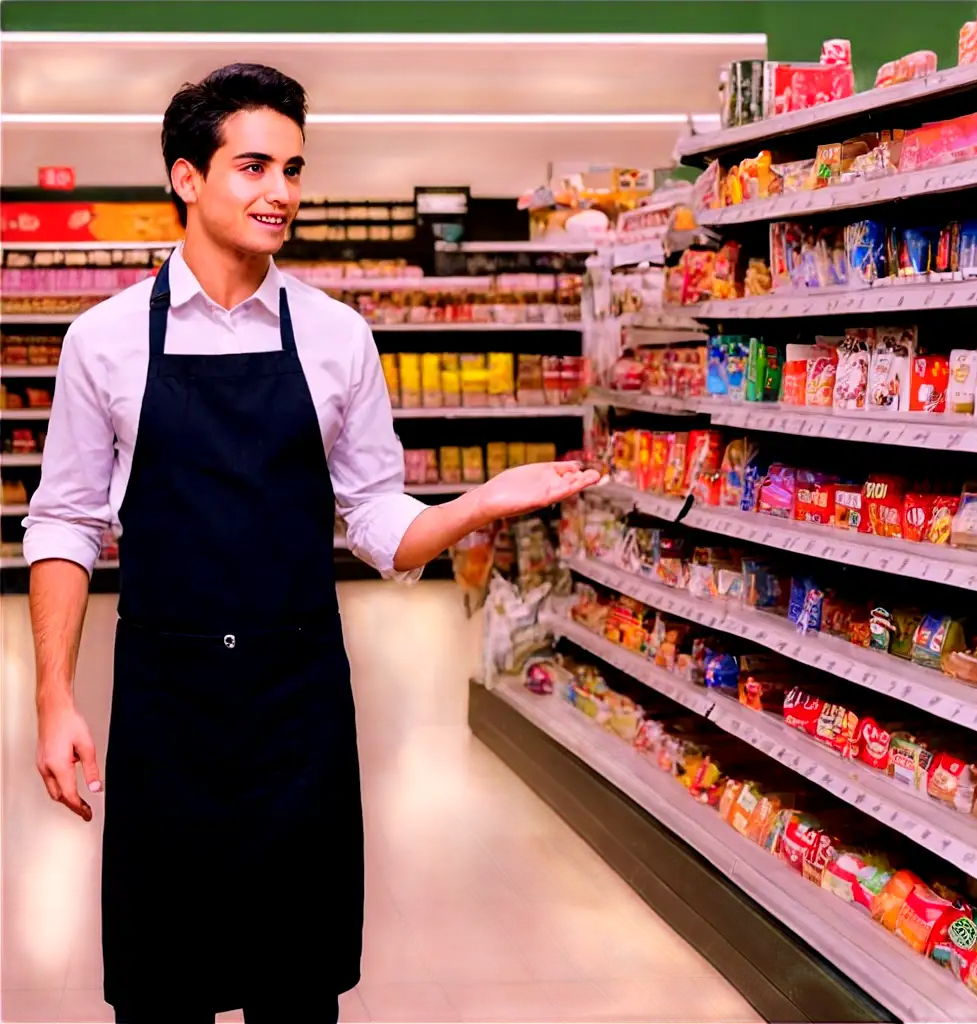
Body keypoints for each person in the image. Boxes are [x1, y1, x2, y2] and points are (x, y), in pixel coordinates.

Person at [26, 62, 600, 1024]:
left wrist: (474, 502)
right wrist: (52, 695)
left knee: (298, 996)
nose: (282, 192)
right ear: (186, 177)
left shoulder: (337, 338)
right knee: (162, 992)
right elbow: (66, 521)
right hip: (168, 710)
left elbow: (378, 524)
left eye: (294, 169)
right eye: (254, 167)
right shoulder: (105, 340)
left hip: (299, 710)